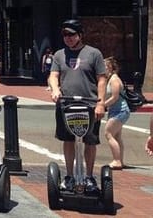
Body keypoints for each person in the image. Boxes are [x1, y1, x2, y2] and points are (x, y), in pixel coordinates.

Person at [48, 19, 107, 193]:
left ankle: (89, 177)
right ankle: (69, 176)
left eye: (72, 34)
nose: (68, 38)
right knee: (68, 140)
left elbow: (102, 79)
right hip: (66, 104)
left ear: (80, 35)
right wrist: (56, 89)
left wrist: (101, 103)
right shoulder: (59, 55)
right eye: (65, 35)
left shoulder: (94, 54)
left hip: (89, 104)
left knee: (90, 141)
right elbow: (53, 75)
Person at [103, 56, 130, 170]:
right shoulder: (110, 79)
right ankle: (120, 160)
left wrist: (102, 105)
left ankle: (117, 160)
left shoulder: (114, 79)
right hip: (115, 110)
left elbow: (115, 97)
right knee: (117, 136)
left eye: (104, 66)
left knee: (108, 133)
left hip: (120, 111)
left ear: (110, 67)